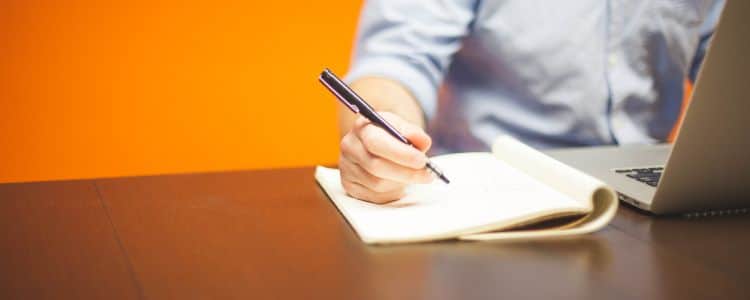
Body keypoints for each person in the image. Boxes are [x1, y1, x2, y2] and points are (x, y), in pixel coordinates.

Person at [337, 0, 725, 204]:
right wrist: (384, 133)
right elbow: (396, 60)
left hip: (655, 199)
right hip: (494, 200)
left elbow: (728, 59)